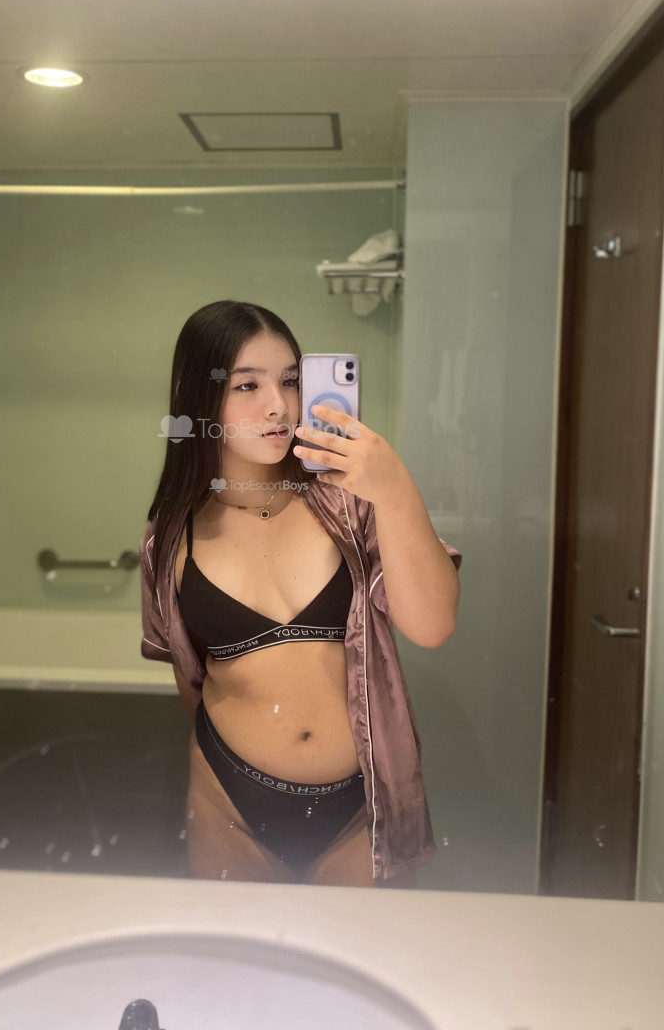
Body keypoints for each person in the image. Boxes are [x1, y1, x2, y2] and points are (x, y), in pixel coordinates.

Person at [139, 300, 461, 886]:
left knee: (365, 948)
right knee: (235, 951)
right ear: (196, 395)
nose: (278, 406)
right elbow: (191, 677)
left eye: (290, 381)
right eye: (247, 385)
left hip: (360, 807)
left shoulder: (352, 502)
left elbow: (433, 624)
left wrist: (393, 487)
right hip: (227, 801)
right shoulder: (170, 535)